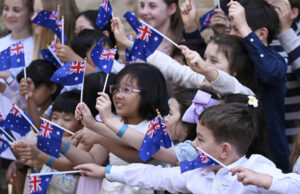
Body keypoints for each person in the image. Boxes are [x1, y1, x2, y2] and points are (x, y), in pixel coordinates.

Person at [74, 103, 300, 193]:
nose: (193, 144)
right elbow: (155, 175)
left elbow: (296, 185)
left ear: (224, 151)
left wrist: (266, 181)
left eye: (200, 139)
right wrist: (107, 172)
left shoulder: (256, 166)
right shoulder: (197, 172)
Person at [74, 63, 169, 193]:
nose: (118, 95)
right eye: (116, 89)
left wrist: (100, 136)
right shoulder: (116, 122)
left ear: (149, 94)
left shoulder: (157, 125)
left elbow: (141, 155)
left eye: (127, 90)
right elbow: (95, 156)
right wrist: (90, 123)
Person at [228, 0, 289, 172]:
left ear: (261, 34)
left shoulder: (275, 60)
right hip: (235, 156)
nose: (231, 34)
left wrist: (245, 30)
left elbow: (269, 72)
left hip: (270, 158)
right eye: (231, 27)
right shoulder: (234, 61)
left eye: (237, 28)